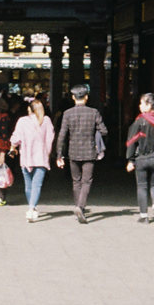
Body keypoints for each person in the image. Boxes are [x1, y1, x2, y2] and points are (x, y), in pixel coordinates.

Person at [56, 84, 106, 224]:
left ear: (73, 97)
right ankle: (81, 207)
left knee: (76, 181)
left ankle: (78, 207)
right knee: (86, 181)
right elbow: (104, 131)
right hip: (89, 151)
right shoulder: (94, 112)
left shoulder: (67, 113)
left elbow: (62, 135)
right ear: (86, 97)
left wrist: (59, 155)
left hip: (73, 152)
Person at [125, 93, 154, 224]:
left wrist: (130, 159)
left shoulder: (140, 121)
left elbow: (132, 141)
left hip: (142, 158)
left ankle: (144, 216)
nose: (139, 106)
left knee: (142, 186)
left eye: (142, 103)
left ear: (149, 105)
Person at [10, 98, 55, 223]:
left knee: (28, 186)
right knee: (37, 185)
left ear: (29, 109)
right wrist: (47, 152)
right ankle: (32, 207)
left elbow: (16, 138)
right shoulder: (46, 120)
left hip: (26, 157)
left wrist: (12, 148)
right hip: (41, 157)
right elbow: (50, 138)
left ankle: (31, 207)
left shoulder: (22, 121)